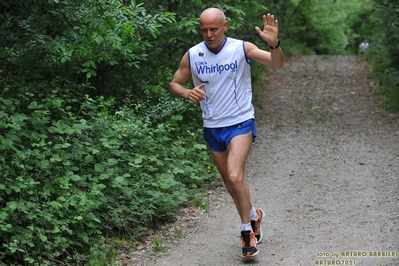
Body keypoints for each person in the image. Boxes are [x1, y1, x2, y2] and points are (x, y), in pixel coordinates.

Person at [169, 7, 284, 258]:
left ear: (225, 25)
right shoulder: (193, 55)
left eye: (214, 29)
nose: (209, 34)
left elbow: (277, 64)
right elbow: (174, 83)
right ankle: (254, 216)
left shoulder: (242, 48)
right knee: (231, 184)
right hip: (212, 126)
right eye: (204, 30)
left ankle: (246, 234)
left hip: (240, 121)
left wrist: (274, 45)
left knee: (235, 175)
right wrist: (186, 92)